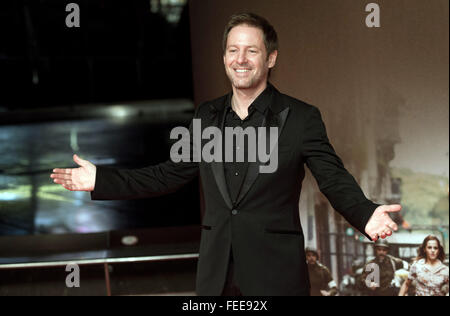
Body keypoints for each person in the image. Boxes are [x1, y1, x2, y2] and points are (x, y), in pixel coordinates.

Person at [50, 12, 402, 296]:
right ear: (224, 58)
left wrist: (365, 213)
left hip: (274, 276)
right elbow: (170, 174)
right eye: (233, 50)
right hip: (217, 276)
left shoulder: (300, 117)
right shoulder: (207, 115)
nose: (241, 59)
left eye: (251, 50)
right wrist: (102, 180)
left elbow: (332, 176)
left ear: (271, 58)